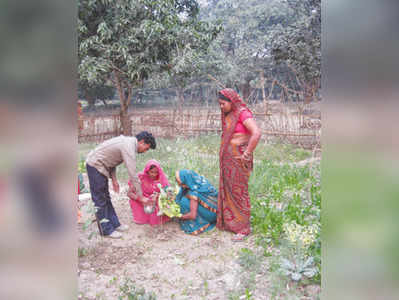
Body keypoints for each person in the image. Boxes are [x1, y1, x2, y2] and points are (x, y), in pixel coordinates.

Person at [85, 131, 156, 238]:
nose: (145, 151)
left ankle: (114, 223)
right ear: (142, 142)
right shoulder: (128, 147)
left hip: (103, 165)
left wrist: (114, 180)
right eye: (146, 148)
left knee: (106, 197)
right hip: (95, 164)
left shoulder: (128, 143)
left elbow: (111, 160)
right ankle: (106, 230)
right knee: (100, 199)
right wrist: (141, 197)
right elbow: (133, 174)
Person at [216, 88, 261, 241]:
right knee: (229, 192)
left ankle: (243, 228)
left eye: (223, 104)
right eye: (219, 104)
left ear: (231, 101)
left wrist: (247, 154)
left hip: (239, 162)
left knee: (239, 193)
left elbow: (256, 133)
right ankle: (231, 224)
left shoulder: (243, 114)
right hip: (228, 162)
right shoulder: (228, 115)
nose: (221, 107)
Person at [174, 170, 218, 235]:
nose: (180, 186)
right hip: (217, 211)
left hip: (210, 215)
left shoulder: (193, 192)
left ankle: (200, 221)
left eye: (181, 184)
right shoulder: (200, 181)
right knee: (185, 196)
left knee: (184, 201)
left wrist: (179, 216)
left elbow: (192, 215)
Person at [127, 159, 170, 226]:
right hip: (142, 202)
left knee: (159, 213)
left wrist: (157, 196)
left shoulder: (161, 178)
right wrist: (141, 199)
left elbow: (168, 193)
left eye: (156, 172)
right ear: (147, 171)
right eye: (151, 172)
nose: (154, 174)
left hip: (155, 202)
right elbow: (129, 193)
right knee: (135, 204)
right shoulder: (140, 177)